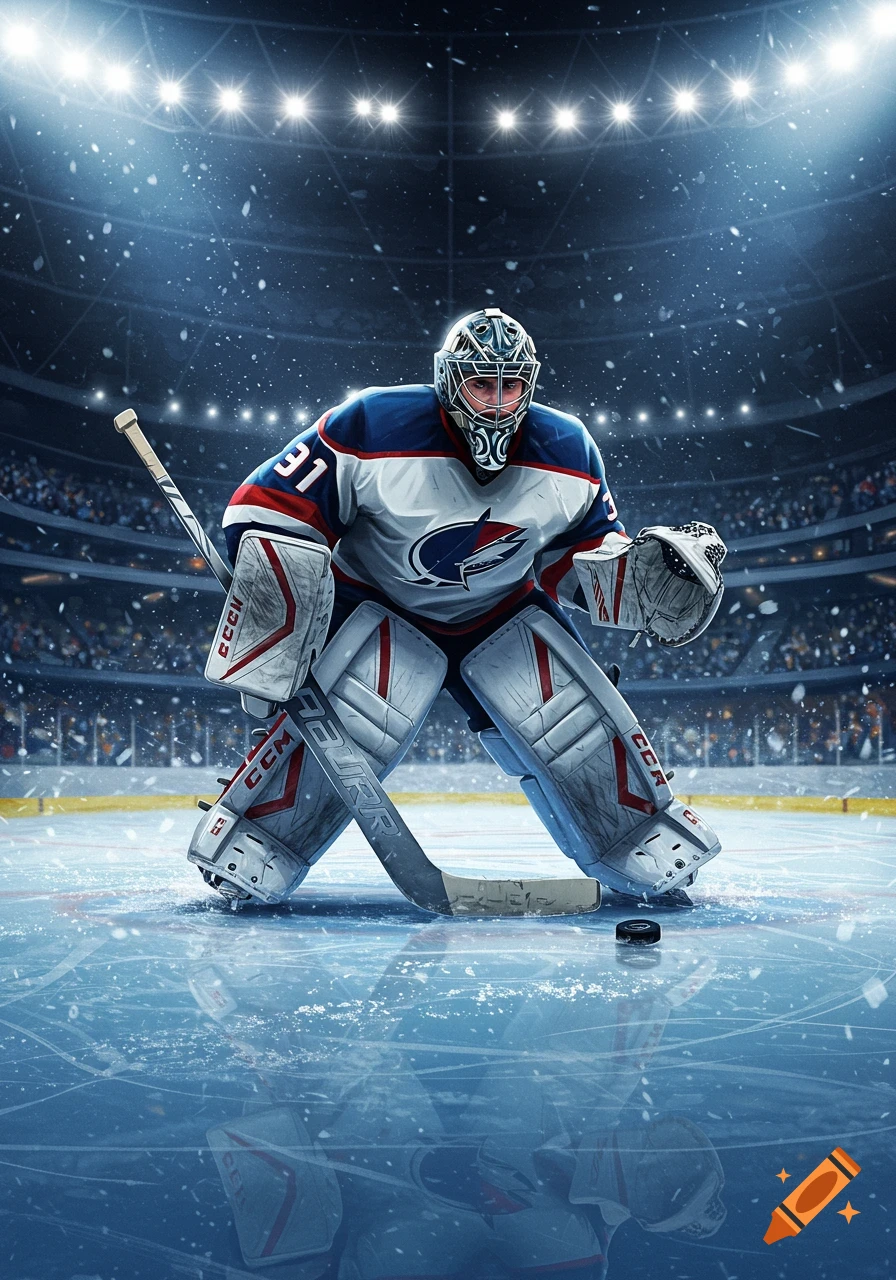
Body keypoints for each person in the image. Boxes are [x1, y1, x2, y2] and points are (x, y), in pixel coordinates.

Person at [189, 308, 727, 906]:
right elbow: (264, 508)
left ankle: (637, 838)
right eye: (482, 383)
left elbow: (574, 559)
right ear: (449, 379)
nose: (497, 403)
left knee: (579, 732)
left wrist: (633, 579)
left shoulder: (571, 448)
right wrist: (279, 618)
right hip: (377, 600)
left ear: (530, 384)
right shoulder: (370, 423)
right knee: (345, 728)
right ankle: (258, 839)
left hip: (503, 610)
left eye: (510, 384)